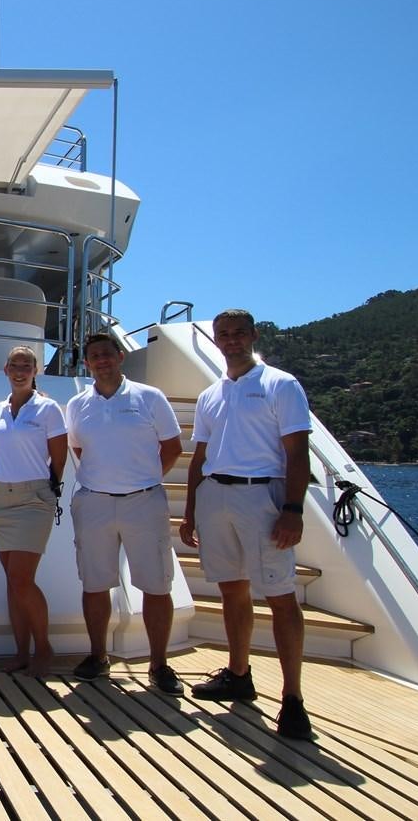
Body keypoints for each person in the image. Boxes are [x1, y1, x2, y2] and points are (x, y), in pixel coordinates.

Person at [180, 308, 315, 740]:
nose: (231, 339)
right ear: (216, 340)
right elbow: (200, 457)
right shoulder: (210, 395)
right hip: (215, 496)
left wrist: (293, 509)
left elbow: (297, 452)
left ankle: (292, 699)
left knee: (280, 595)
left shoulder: (280, 384)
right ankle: (239, 675)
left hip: (262, 496)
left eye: (239, 332)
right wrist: (191, 511)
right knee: (231, 589)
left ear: (253, 335)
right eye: (224, 334)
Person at [65, 332, 185, 695]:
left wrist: (143, 480)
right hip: (94, 501)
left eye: (107, 353)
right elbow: (79, 449)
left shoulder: (150, 397)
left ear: (120, 356)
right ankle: (98, 656)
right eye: (94, 356)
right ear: (87, 363)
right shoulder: (77, 405)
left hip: (143, 501)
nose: (101, 360)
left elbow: (173, 447)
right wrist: (107, 479)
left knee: (156, 585)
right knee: (94, 583)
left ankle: (159, 664)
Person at [0, 345, 68, 676]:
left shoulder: (48, 409)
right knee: (12, 582)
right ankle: (21, 652)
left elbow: (58, 459)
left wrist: (46, 490)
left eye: (26, 366)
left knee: (21, 579)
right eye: (15, 366)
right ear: (5, 370)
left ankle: (44, 649)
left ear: (35, 371)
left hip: (33, 500)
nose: (20, 372)